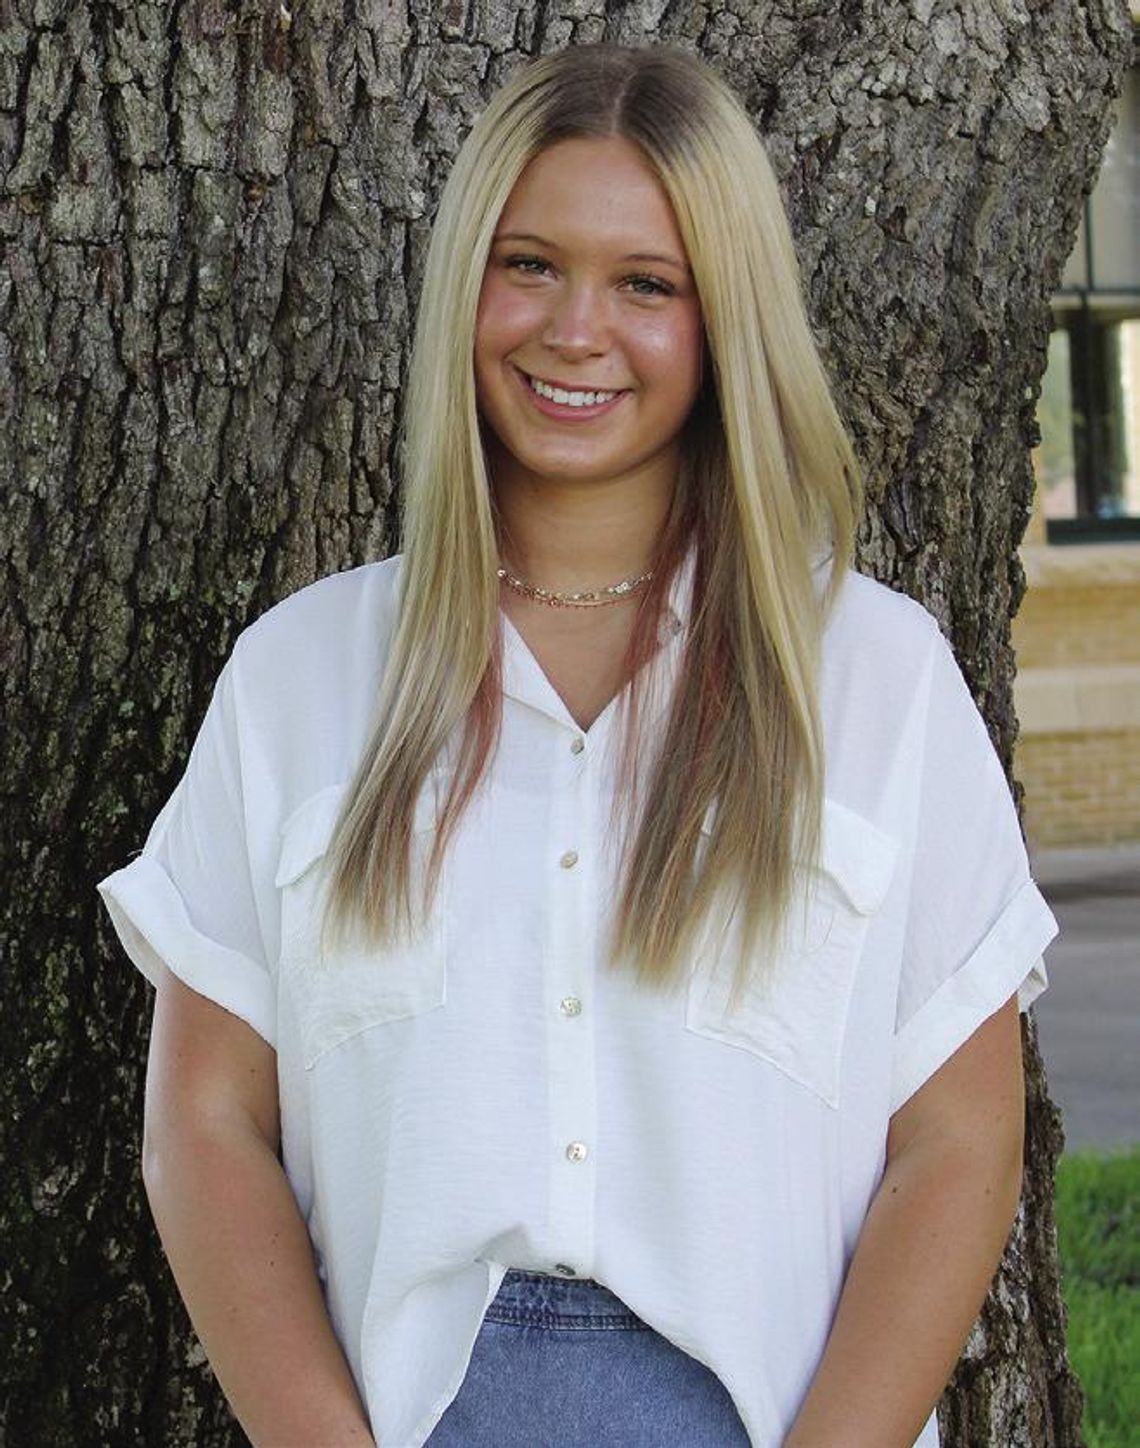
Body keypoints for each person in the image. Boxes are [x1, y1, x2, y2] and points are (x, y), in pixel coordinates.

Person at [97, 42, 1060, 1448]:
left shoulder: (878, 680)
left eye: (647, 284)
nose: (572, 330)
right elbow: (205, 1126)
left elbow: (962, 1143)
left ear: (725, 319)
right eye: (530, 263)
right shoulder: (300, 680)